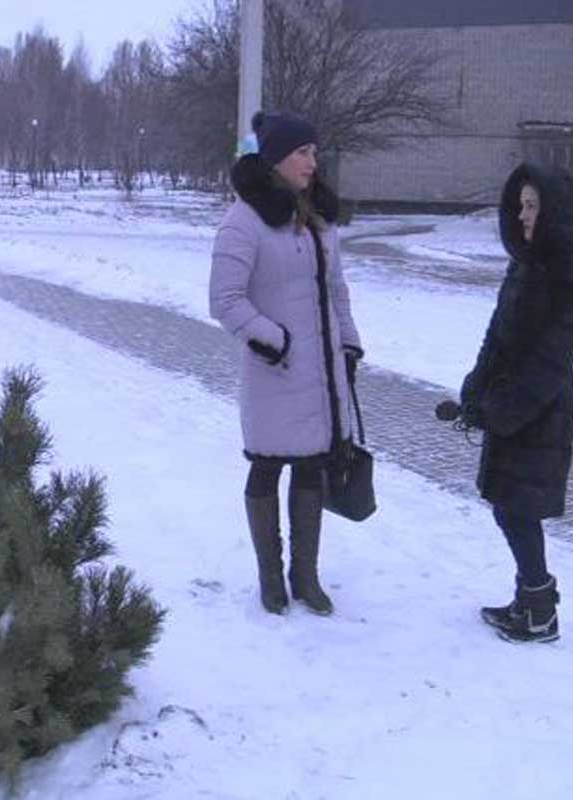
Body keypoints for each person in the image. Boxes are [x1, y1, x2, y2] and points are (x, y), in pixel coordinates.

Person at [209, 111, 363, 616]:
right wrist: (274, 340)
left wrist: (349, 344)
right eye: (303, 153)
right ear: (277, 158)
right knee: (267, 469)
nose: (313, 163)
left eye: (315, 153)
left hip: (319, 373)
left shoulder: (319, 218)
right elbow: (225, 300)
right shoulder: (244, 220)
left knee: (312, 468)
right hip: (275, 372)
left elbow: (335, 289)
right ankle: (271, 579)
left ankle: (307, 576)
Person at [459, 163, 573, 644]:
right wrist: (475, 388)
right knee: (508, 505)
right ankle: (530, 601)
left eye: (532, 206)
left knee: (517, 509)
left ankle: (540, 611)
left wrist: (505, 409)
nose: (522, 215)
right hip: (507, 403)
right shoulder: (524, 260)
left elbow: (553, 357)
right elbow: (497, 332)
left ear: (555, 210)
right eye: (520, 205)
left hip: (541, 410)